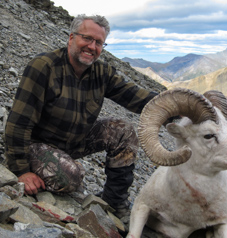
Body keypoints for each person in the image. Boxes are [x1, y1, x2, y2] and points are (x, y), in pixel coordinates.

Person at [4, 14, 158, 220]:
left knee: (123, 130)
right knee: (71, 177)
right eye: (87, 38)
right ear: (71, 38)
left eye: (98, 43)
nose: (92, 46)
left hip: (74, 142)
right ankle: (38, 169)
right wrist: (22, 170)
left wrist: (178, 106)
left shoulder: (102, 72)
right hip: (37, 144)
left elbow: (135, 97)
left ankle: (114, 203)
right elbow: (18, 123)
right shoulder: (44, 67)